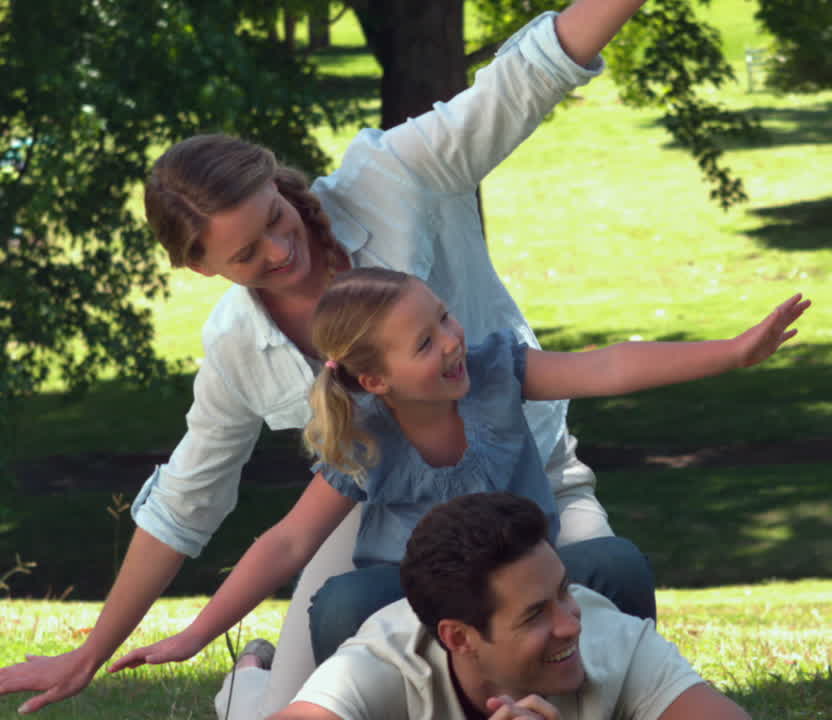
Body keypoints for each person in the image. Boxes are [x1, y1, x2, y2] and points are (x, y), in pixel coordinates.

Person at [0, 1, 650, 716]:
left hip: (531, 484)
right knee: (302, 701)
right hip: (386, 524)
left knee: (604, 625)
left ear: (277, 184)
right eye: (245, 254)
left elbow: (521, 81)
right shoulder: (237, 347)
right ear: (201, 266)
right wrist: (92, 650)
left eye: (274, 218)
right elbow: (190, 498)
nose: (281, 252)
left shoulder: (394, 179)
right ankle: (251, 682)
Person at [108, 268, 809, 675]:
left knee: (617, 566)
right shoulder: (365, 439)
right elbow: (287, 544)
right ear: (376, 379)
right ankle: (258, 682)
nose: (451, 343)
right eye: (425, 343)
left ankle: (621, 700)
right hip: (422, 597)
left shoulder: (499, 371)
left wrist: (733, 353)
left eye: (443, 319)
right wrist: (194, 635)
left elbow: (607, 365)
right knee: (345, 605)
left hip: (527, 574)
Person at [270, 492, 753, 720]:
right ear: (459, 638)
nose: (570, 624)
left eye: (564, 590)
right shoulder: (383, 663)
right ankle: (252, 672)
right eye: (535, 613)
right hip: (369, 622)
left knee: (616, 563)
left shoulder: (616, 644)